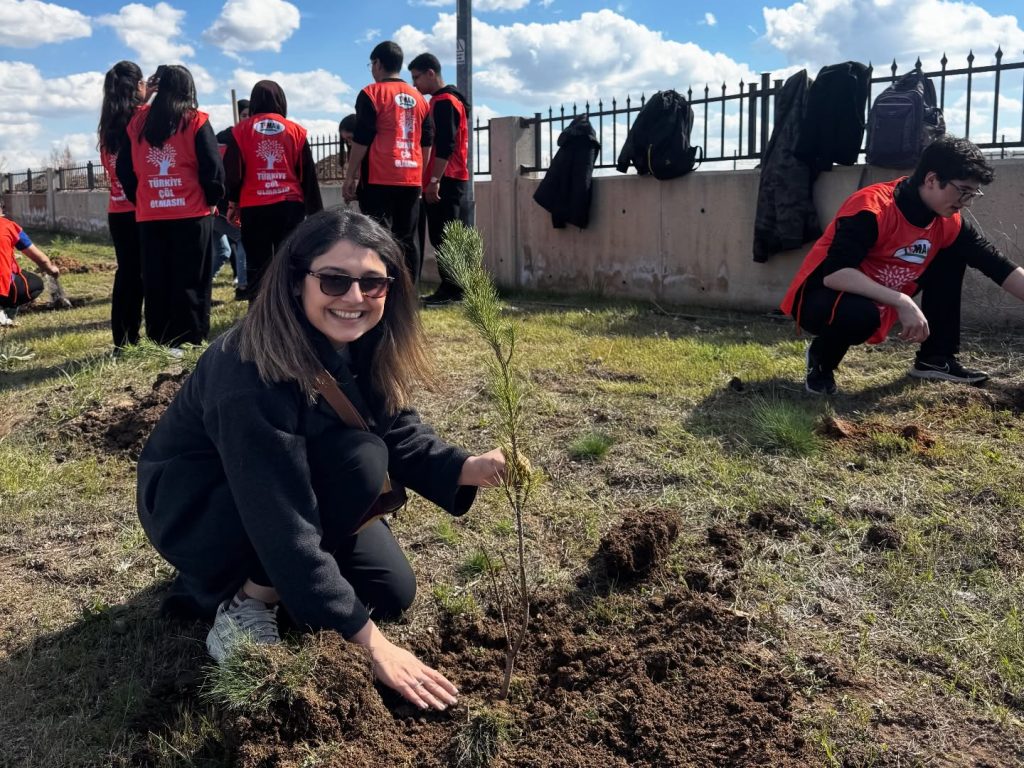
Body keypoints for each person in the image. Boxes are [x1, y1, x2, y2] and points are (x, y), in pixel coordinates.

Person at [137, 208, 507, 711]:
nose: (354, 298)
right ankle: (245, 601)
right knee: (361, 461)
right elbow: (278, 516)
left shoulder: (361, 340)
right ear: (297, 282)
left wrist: (465, 468)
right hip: (201, 509)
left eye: (373, 283)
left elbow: (392, 423)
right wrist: (374, 647)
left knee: (389, 591)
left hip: (287, 490)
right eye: (334, 280)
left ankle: (263, 584)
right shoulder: (247, 371)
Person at [781, 136, 1024, 395]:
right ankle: (822, 360)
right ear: (932, 179)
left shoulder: (947, 221)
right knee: (860, 315)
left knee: (954, 252)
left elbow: (996, 264)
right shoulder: (872, 208)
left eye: (973, 193)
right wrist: (902, 301)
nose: (968, 202)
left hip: (880, 293)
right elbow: (835, 273)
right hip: (823, 296)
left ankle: (936, 357)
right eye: (963, 191)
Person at [117, 65, 225, 350]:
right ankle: (191, 338)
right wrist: (212, 200)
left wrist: (142, 198)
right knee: (192, 279)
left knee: (156, 279)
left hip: (150, 215)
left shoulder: (137, 122)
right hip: (192, 214)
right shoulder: (195, 120)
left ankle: (160, 338)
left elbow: (124, 169)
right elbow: (213, 168)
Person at [343, 41, 432, 284]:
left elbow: (362, 138)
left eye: (372, 64)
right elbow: (426, 142)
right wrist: (420, 176)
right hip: (411, 178)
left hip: (378, 177)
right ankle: (408, 292)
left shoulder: (371, 94)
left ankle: (379, 288)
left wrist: (351, 175)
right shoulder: (420, 99)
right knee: (407, 238)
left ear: (378, 63)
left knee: (376, 237)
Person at [224, 81, 323, 299]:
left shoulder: (240, 131)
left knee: (257, 263)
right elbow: (307, 175)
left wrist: (233, 202)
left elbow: (233, 174)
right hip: (290, 206)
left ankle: (258, 308)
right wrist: (316, 212)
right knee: (289, 259)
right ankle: (291, 305)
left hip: (254, 207)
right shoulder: (296, 131)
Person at [409, 52, 470, 305]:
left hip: (446, 177)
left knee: (444, 236)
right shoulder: (444, 100)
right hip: (447, 176)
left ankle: (454, 291)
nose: (414, 85)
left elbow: (446, 144)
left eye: (416, 78)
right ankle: (453, 289)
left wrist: (434, 181)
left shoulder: (445, 101)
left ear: (430, 73)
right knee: (443, 235)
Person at [98, 60, 146, 350]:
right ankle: (137, 335)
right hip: (142, 208)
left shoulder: (108, 126)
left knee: (126, 273)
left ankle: (123, 338)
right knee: (145, 273)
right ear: (137, 85)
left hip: (117, 209)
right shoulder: (140, 119)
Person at [0, 201, 60, 326]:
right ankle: (6, 308)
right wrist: (51, 269)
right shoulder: (9, 226)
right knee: (35, 284)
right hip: (2, 287)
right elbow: (40, 258)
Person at [214, 98, 249, 297]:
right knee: (244, 238)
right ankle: (243, 286)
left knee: (221, 252)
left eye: (250, 115)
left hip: (217, 207)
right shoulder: (225, 138)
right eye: (244, 115)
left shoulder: (248, 137)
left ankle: (200, 288)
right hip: (221, 205)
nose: (248, 119)